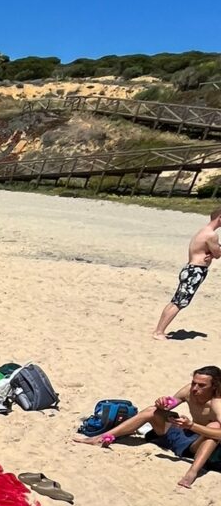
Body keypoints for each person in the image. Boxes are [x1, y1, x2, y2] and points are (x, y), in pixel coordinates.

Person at [77, 366, 221, 489]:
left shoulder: (217, 403)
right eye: (194, 383)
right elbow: (168, 405)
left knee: (215, 426)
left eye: (201, 385)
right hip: (187, 433)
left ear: (214, 386)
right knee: (152, 411)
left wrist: (192, 425)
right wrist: (161, 403)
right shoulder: (188, 391)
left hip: (202, 445)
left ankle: (192, 472)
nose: (195, 388)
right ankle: (101, 438)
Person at [153, 207, 221, 339]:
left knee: (176, 301)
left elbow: (213, 251)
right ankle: (159, 332)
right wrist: (214, 254)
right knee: (180, 303)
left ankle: (159, 330)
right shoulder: (212, 235)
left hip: (190, 269)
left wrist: (213, 254)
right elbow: (218, 253)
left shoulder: (203, 231)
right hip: (196, 271)